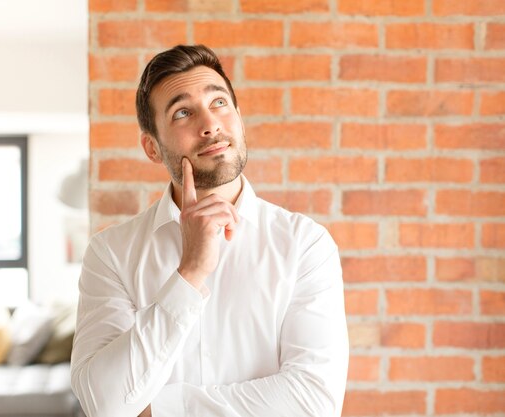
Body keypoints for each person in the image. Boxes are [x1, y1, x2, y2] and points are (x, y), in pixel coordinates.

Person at [70, 44, 349, 417]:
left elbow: (313, 400)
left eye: (219, 103)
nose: (211, 124)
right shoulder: (111, 253)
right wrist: (190, 273)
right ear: (152, 148)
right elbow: (103, 404)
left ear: (239, 118)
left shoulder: (304, 245)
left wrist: (159, 409)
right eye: (183, 112)